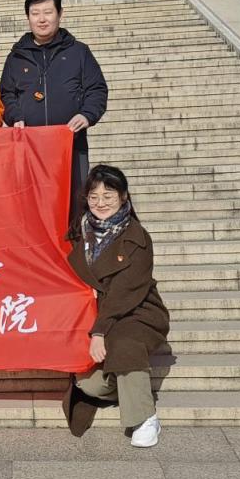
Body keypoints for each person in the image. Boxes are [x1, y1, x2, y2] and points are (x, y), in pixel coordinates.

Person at [62, 165, 169, 448]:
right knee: (88, 384)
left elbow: (125, 292)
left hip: (136, 311)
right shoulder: (77, 233)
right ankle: (130, 387)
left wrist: (99, 332)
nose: (100, 203)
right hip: (92, 313)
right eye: (94, 196)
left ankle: (144, 417)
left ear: (123, 197)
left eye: (108, 196)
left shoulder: (136, 237)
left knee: (125, 344)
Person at [0, 0, 108, 221]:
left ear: (60, 14)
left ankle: (73, 243)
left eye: (48, 12)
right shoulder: (16, 56)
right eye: (35, 13)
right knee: (32, 208)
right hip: (30, 148)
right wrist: (15, 116)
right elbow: (7, 94)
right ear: (28, 17)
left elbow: (96, 89)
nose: (42, 19)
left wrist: (87, 115)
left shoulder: (79, 52)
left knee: (74, 203)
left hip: (71, 145)